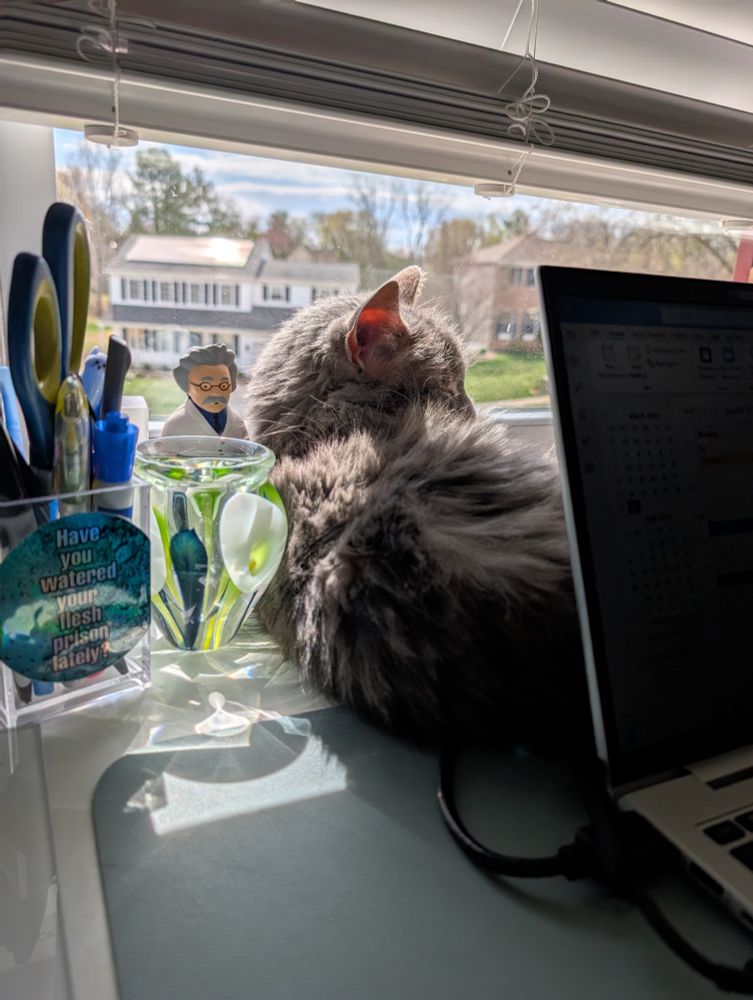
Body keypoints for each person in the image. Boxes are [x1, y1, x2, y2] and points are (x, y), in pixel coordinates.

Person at [161, 343, 248, 438]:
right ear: (186, 386)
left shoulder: (237, 422)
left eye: (223, 386)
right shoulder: (175, 426)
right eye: (205, 386)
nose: (216, 392)